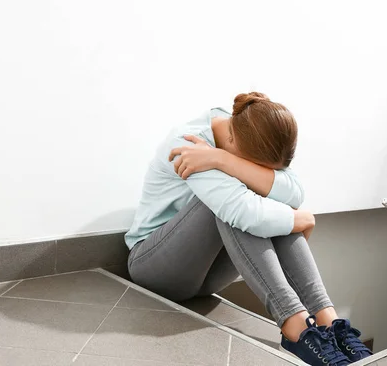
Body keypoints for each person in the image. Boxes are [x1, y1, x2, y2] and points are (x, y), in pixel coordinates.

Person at [125, 92, 372, 365]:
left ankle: (328, 320)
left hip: (205, 278)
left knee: (255, 202)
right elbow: (248, 213)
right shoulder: (188, 144)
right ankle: (296, 328)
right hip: (155, 268)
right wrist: (300, 220)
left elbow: (294, 192)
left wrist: (223, 160)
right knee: (234, 207)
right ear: (231, 139)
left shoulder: (247, 131)